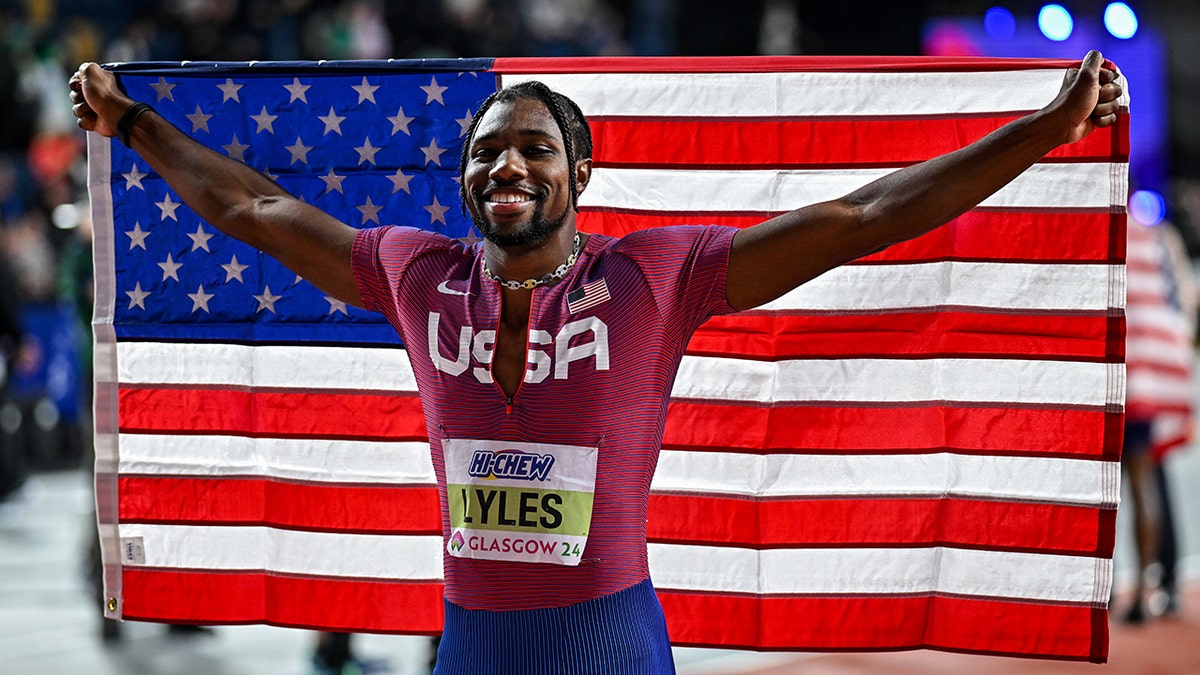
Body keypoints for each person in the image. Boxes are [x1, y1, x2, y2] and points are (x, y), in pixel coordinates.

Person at [70, 52, 1122, 673]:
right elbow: (255, 208)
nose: (506, 165)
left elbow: (863, 215)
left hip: (611, 643)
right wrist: (135, 124)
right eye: (487, 151)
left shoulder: (657, 278)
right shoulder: (412, 272)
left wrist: (1045, 127)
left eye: (532, 147)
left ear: (579, 169)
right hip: (471, 647)